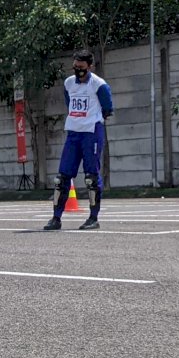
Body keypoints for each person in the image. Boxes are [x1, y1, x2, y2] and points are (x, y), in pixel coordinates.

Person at [44, 49, 113, 231]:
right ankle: (56, 218)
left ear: (90, 66)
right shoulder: (68, 83)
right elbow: (69, 103)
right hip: (73, 132)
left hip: (91, 132)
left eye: (81, 67)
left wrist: (90, 119)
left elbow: (107, 109)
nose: (78, 71)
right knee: (62, 177)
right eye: (75, 67)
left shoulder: (99, 85)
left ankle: (93, 217)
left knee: (91, 177)